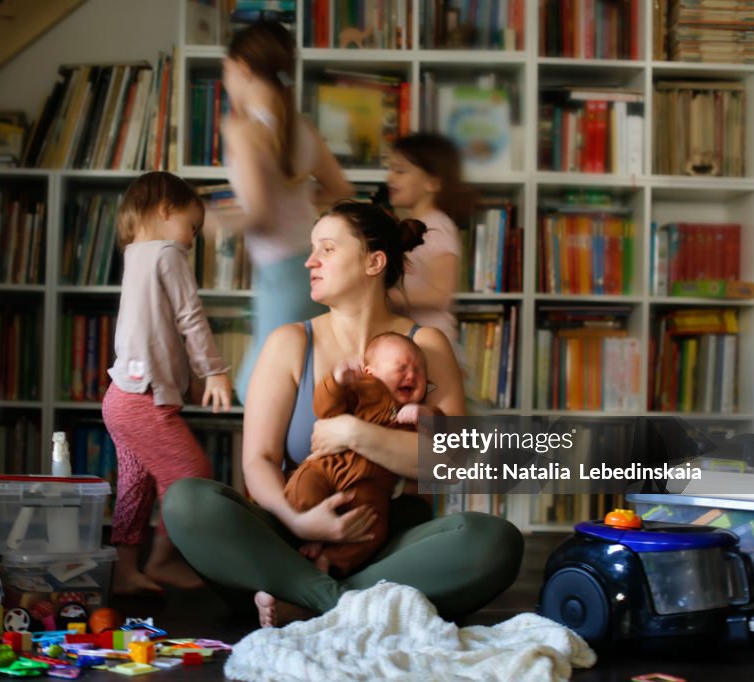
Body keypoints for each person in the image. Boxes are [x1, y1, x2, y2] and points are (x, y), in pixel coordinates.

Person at [163, 201, 523, 627]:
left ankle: (310, 603)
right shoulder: (290, 342)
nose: (310, 261)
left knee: (494, 540)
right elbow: (258, 460)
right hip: (290, 542)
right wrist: (302, 521)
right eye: (313, 249)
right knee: (188, 502)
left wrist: (352, 432)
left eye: (328, 249)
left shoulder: (426, 345)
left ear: (374, 261)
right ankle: (344, 603)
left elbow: (449, 461)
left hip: (387, 544)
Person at [103, 171, 233, 595]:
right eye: (191, 227)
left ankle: (125, 573)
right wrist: (213, 370)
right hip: (141, 399)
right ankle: (164, 558)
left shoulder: (136, 255)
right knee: (191, 474)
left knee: (135, 490)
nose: (191, 239)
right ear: (164, 209)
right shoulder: (168, 253)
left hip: (120, 397)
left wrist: (187, 382)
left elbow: (156, 337)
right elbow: (189, 317)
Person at [213, 19, 354, 402]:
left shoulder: (240, 130)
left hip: (280, 273)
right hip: (315, 265)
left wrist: (210, 221)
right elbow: (340, 189)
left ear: (241, 67)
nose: (226, 82)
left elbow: (261, 215)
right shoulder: (302, 129)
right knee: (304, 381)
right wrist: (306, 206)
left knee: (260, 390)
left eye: (225, 71)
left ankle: (267, 463)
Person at [286, 331, 442, 578]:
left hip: (370, 485)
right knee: (302, 488)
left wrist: (425, 416)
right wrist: (336, 382)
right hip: (327, 466)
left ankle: (329, 560)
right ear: (370, 373)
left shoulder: (413, 411)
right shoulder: (359, 391)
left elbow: (441, 447)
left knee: (373, 528)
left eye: (419, 371)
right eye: (401, 367)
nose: (411, 375)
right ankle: (310, 539)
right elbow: (326, 409)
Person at [385, 133, 477, 345]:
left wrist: (387, 296)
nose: (390, 177)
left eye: (400, 171)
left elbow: (439, 294)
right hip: (409, 342)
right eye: (390, 169)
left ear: (433, 183)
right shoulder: (407, 226)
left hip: (432, 347)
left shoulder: (437, 228)